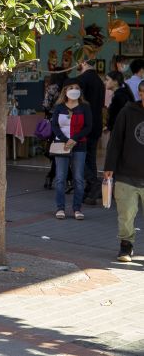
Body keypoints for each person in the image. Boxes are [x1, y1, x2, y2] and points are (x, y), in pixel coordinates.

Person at [104, 79, 144, 262]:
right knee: (126, 215)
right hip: (126, 174)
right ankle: (125, 246)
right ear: (140, 93)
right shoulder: (128, 112)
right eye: (143, 92)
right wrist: (109, 166)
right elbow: (116, 140)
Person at [51, 79, 92, 220]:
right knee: (60, 178)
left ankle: (77, 209)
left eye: (76, 87)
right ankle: (60, 208)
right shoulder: (59, 107)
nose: (74, 90)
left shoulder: (85, 107)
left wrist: (74, 139)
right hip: (61, 146)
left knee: (79, 178)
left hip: (79, 146)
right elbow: (54, 126)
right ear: (65, 91)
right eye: (71, 87)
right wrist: (64, 139)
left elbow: (88, 126)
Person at [77, 59, 105, 205]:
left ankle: (93, 183)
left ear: (83, 63)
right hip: (97, 123)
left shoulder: (81, 80)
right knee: (90, 158)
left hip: (83, 124)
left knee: (78, 157)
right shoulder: (100, 81)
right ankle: (91, 192)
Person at [42, 72, 68, 190]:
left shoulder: (52, 88)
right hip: (67, 122)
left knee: (55, 150)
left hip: (53, 121)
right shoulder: (68, 88)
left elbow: (46, 105)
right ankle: (66, 178)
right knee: (63, 150)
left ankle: (51, 176)